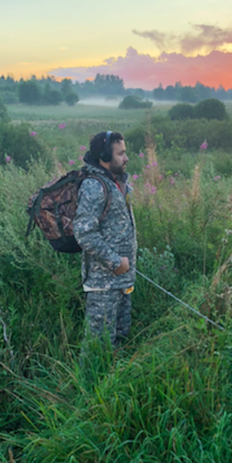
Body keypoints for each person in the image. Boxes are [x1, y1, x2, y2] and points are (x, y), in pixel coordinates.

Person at [72, 131, 137, 348]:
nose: (126, 158)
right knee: (98, 347)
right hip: (103, 286)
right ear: (105, 157)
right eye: (121, 154)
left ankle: (114, 382)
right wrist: (115, 261)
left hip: (122, 281)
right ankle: (90, 383)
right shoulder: (94, 186)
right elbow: (84, 232)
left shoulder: (118, 183)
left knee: (119, 340)